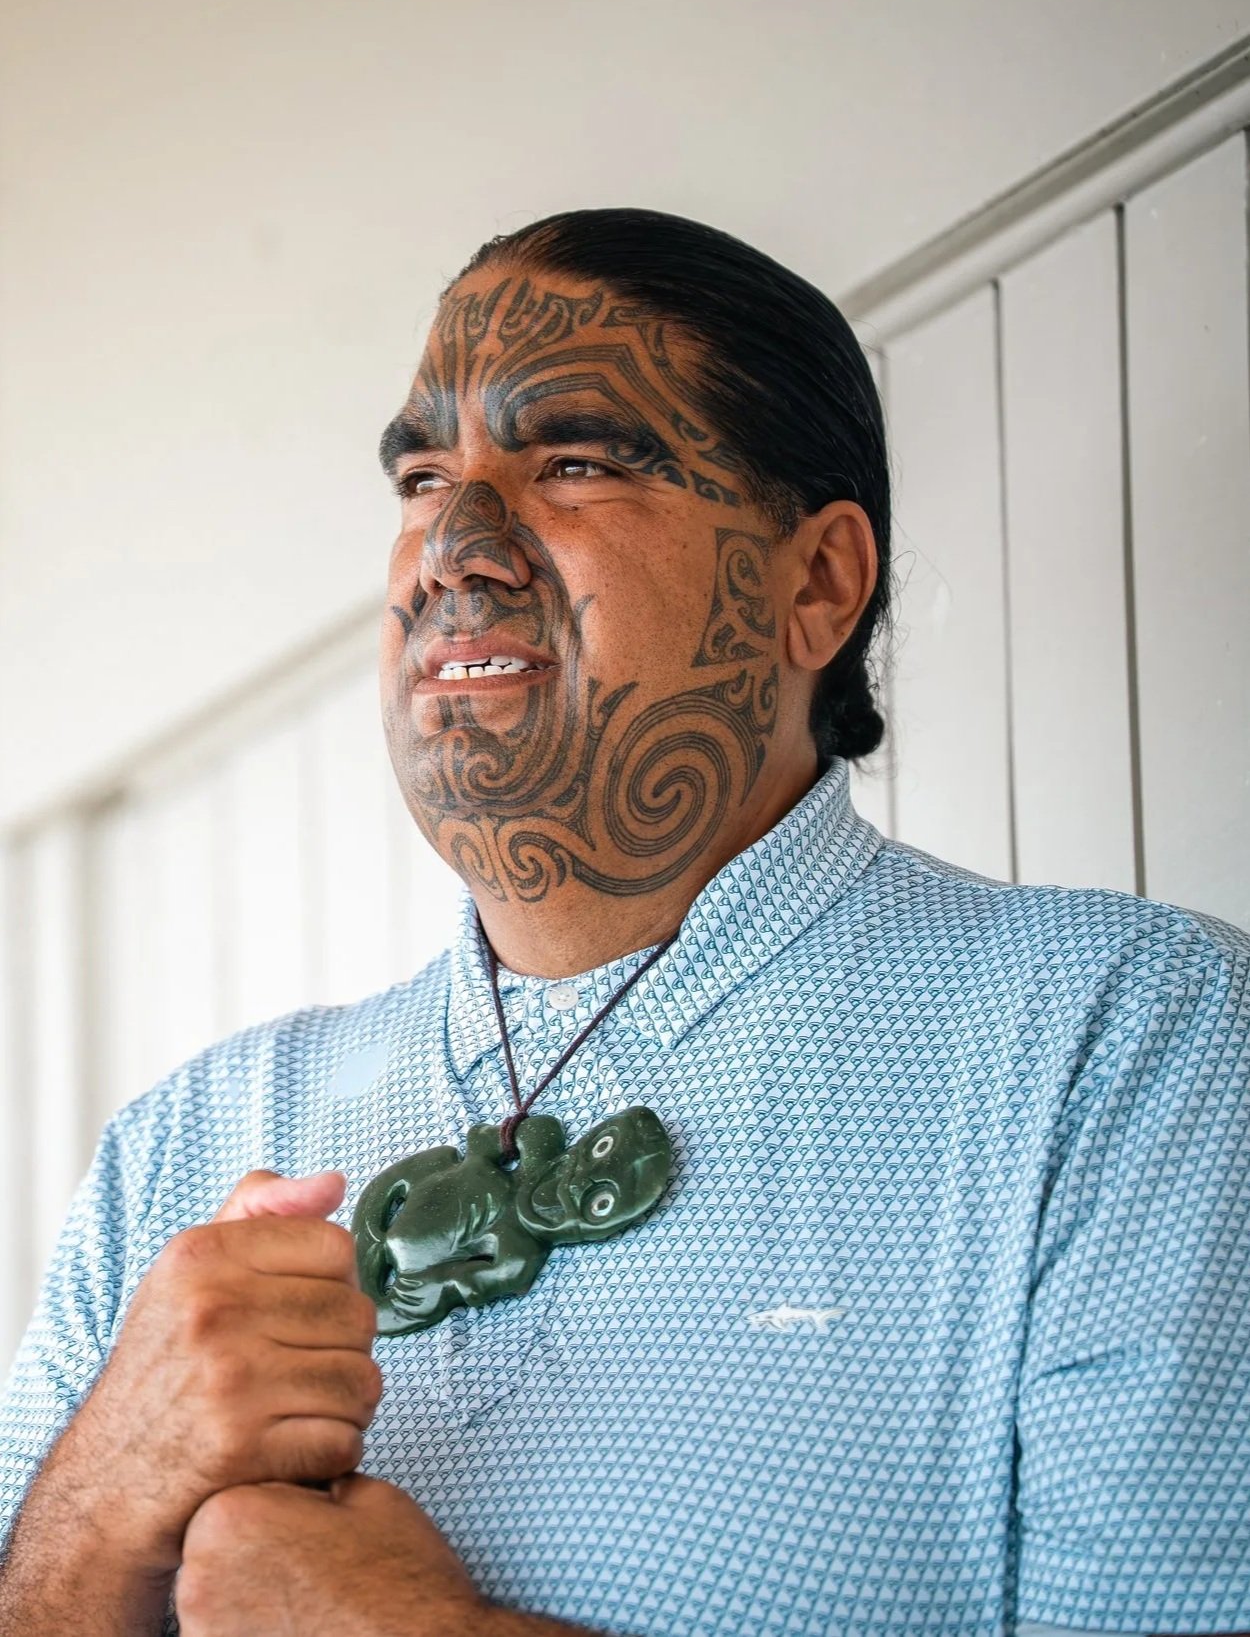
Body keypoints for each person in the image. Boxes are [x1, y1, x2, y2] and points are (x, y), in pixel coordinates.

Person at [0, 207, 1247, 1637]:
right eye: (419, 475)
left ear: (816, 584)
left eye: (575, 462)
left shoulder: (1124, 1045)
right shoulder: (185, 1144)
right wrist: (107, 1485)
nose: (449, 549)